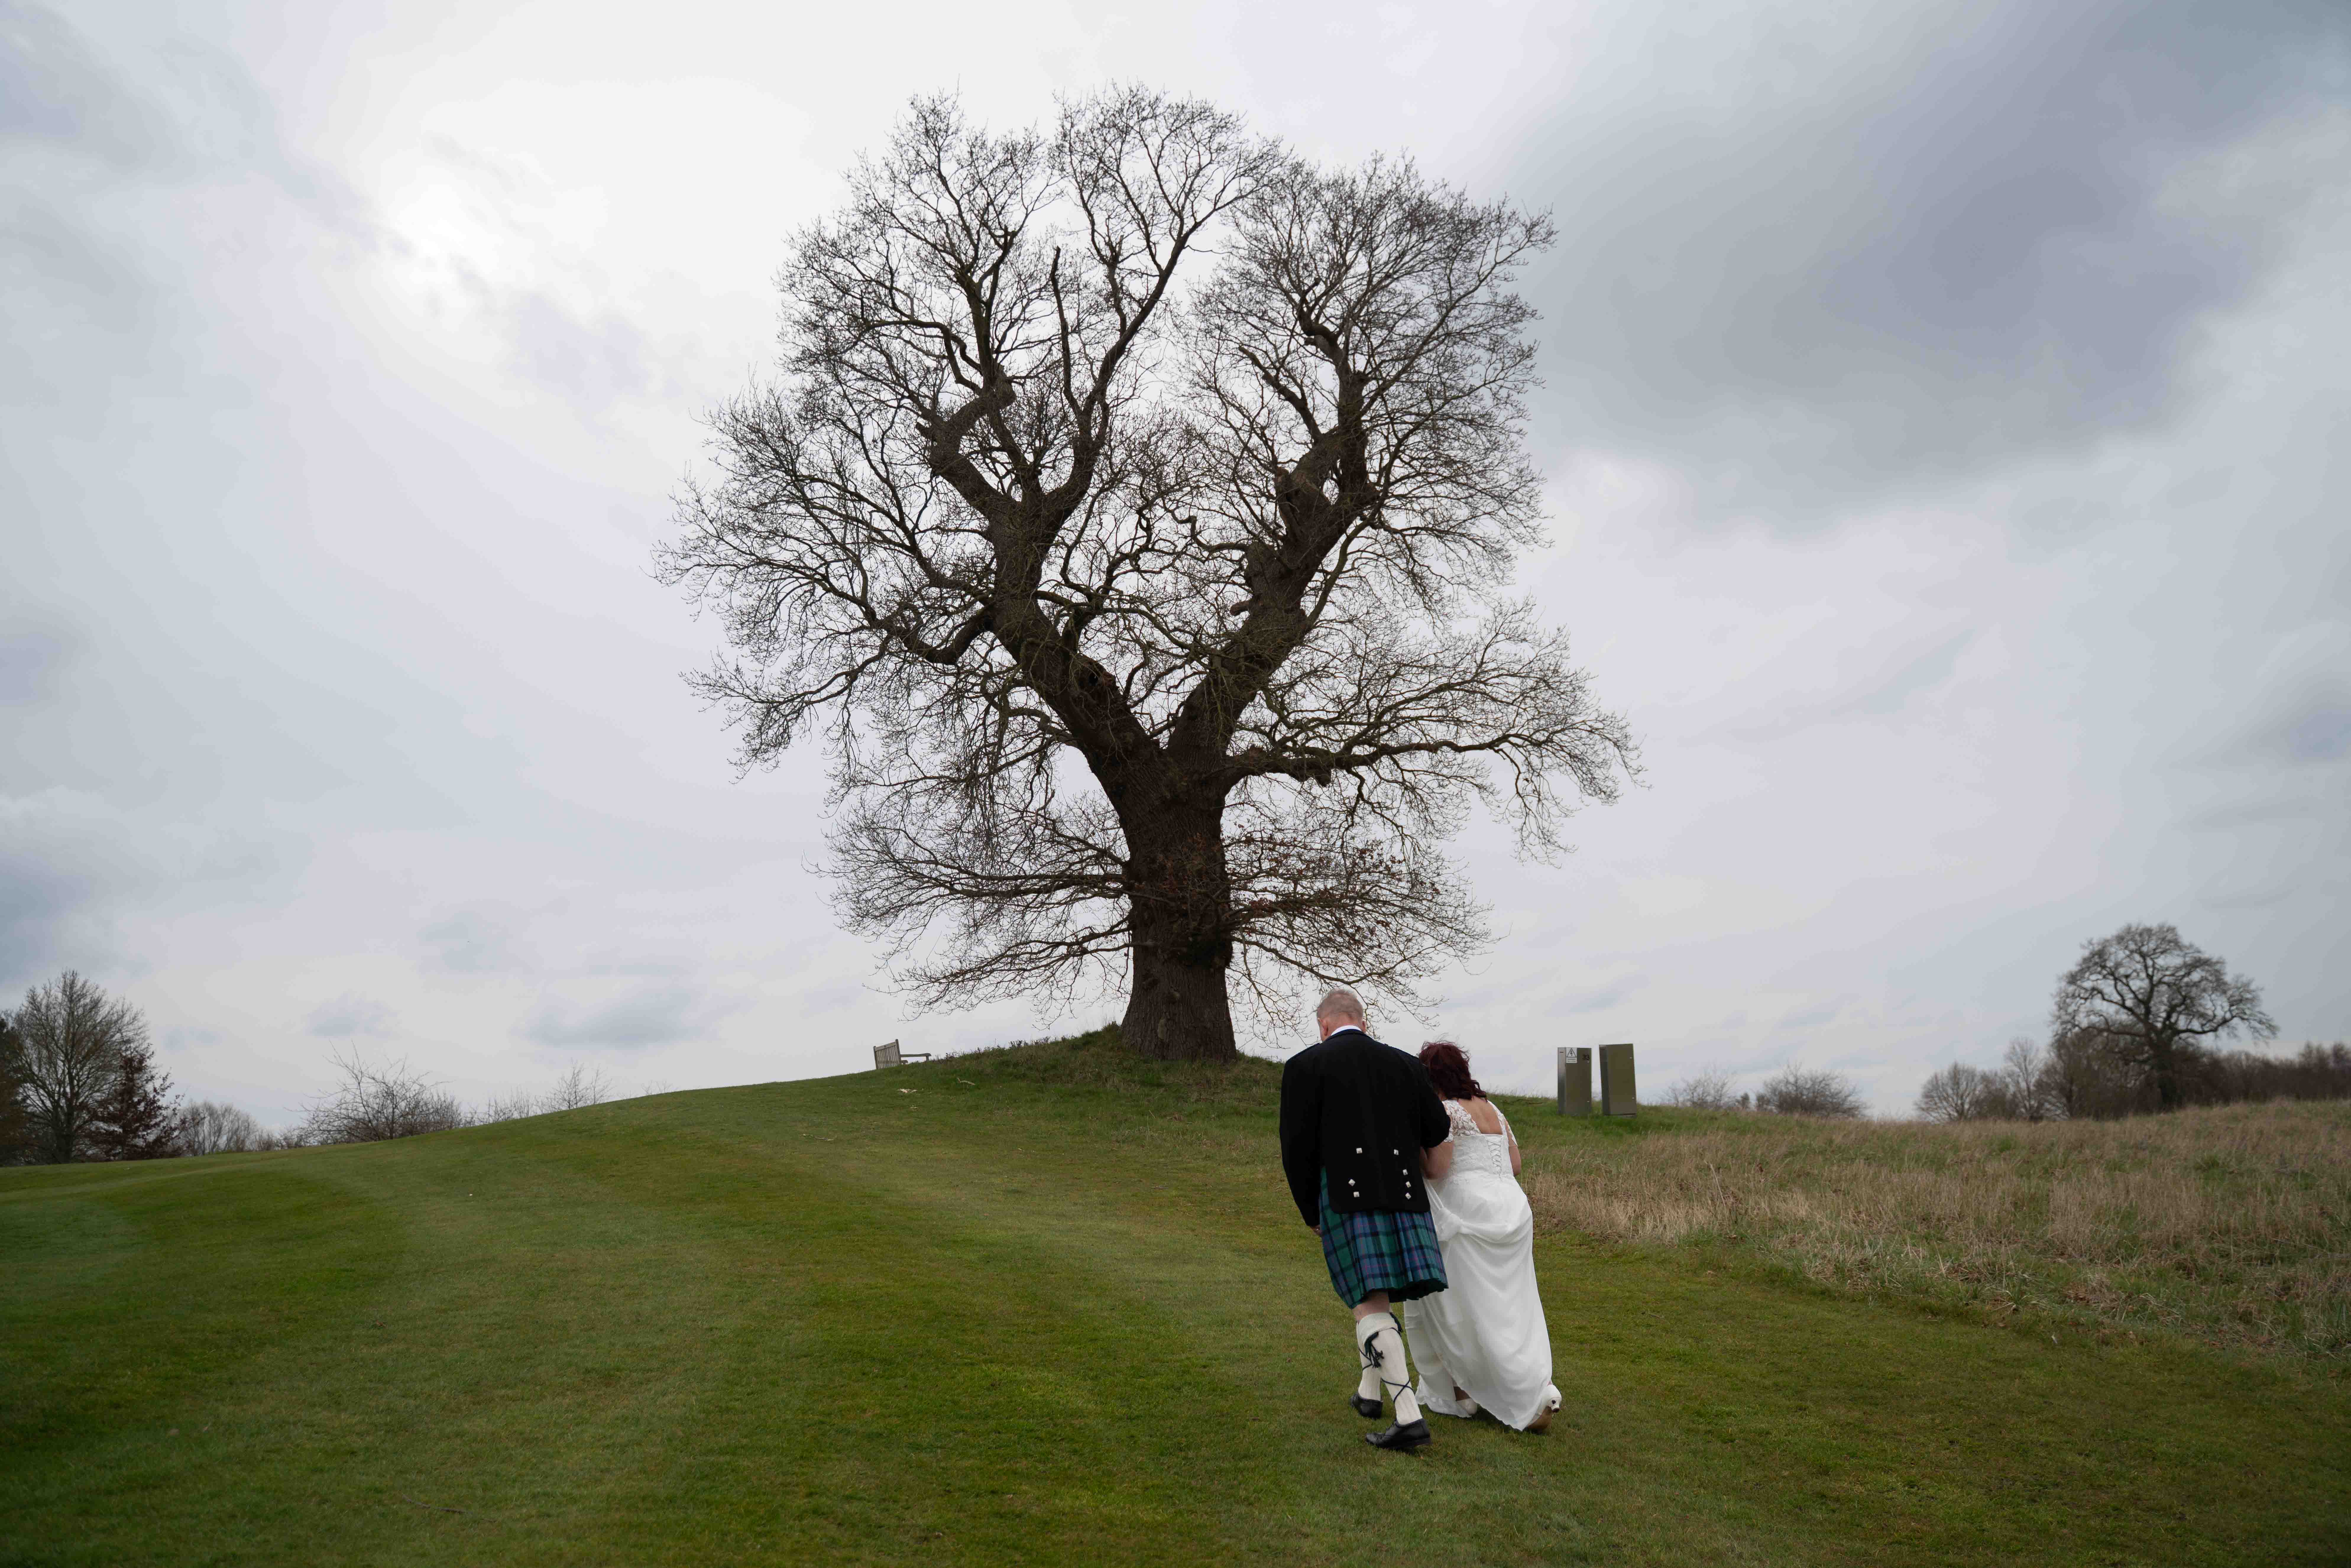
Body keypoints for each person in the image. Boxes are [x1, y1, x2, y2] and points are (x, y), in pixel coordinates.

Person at [1278, 988, 1455, 1452]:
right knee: (1377, 1296)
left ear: (1324, 1025)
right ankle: (1369, 1393)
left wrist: (1308, 1208)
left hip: (1347, 1198)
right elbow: (1437, 1129)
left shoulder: (1305, 1066)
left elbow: (1295, 1149)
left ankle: (1408, 1415)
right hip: (1405, 1196)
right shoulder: (1405, 1065)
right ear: (1363, 1020)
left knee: (1367, 1301)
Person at [1401, 1041, 1562, 1433]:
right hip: (1512, 1210)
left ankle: (1462, 1393)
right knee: (1513, 1306)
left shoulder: (1446, 1111)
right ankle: (1534, 1385)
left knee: (1459, 1307)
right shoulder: (1494, 1110)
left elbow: (1438, 1170)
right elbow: (1516, 1165)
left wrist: (1412, 1149)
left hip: (1466, 1214)